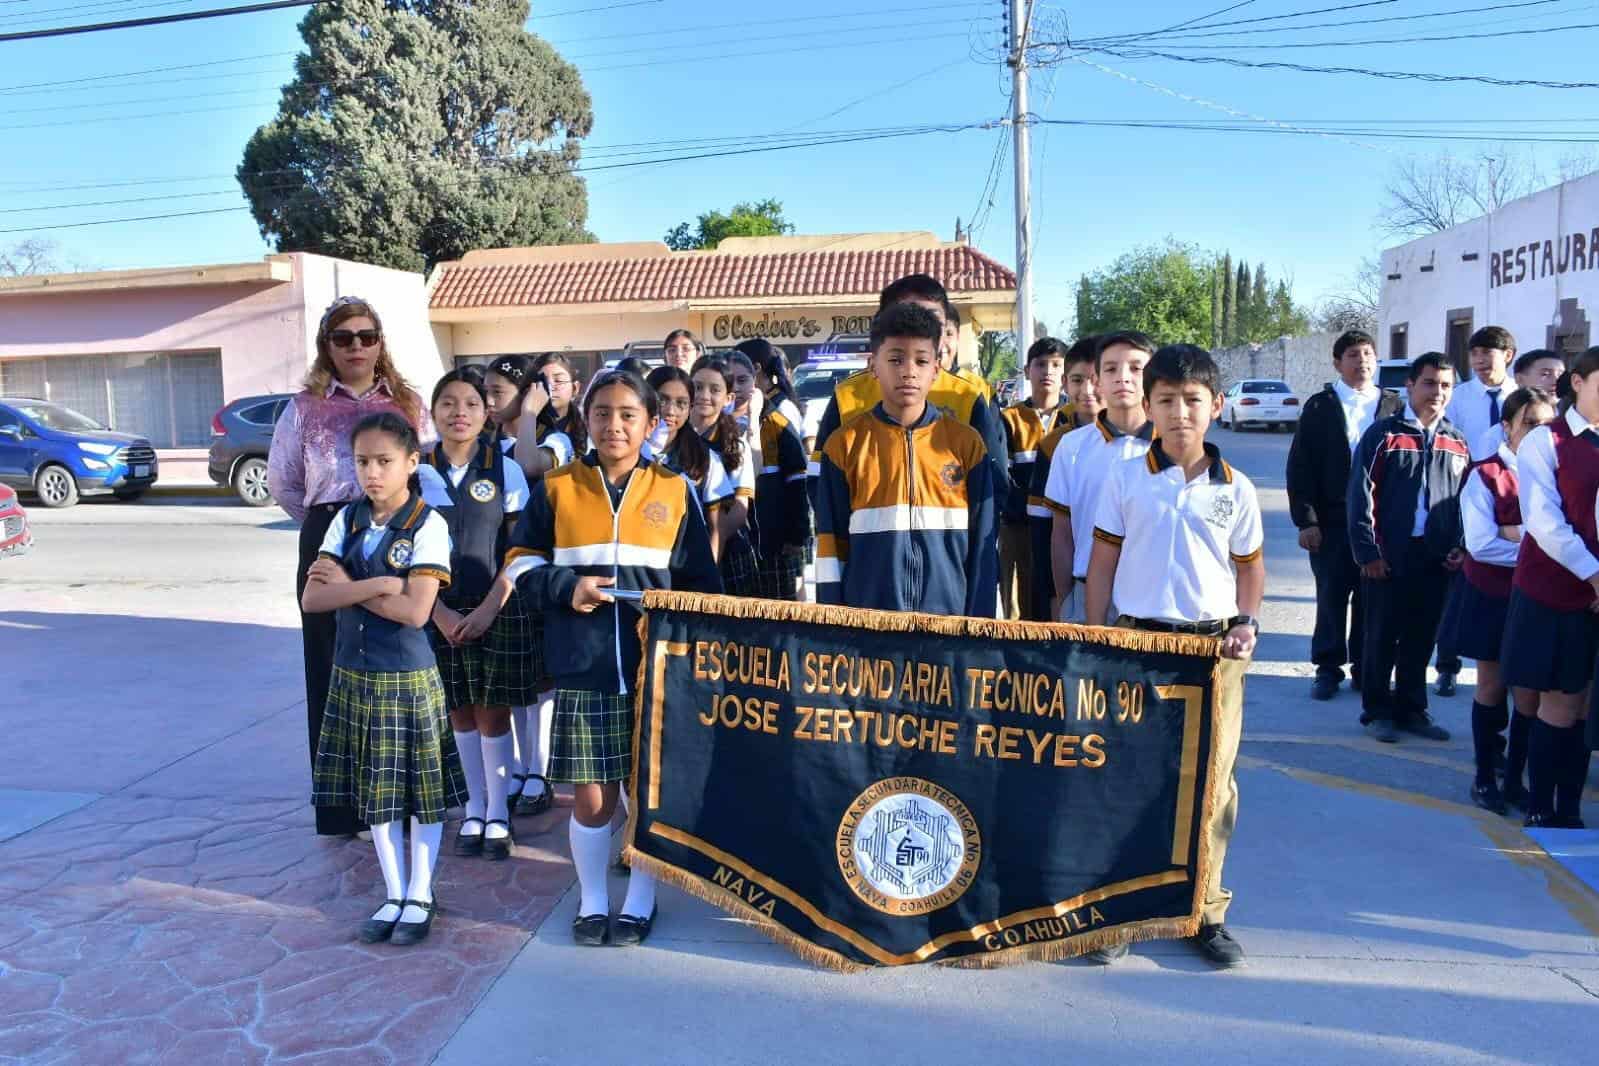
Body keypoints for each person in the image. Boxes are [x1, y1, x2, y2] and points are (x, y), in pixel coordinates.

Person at [504, 369, 722, 946]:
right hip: (585, 665)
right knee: (593, 798)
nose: (614, 425)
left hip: (657, 670)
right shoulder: (556, 487)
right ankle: (593, 899)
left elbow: (703, 582)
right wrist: (564, 587)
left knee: (646, 793)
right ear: (586, 420)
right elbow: (521, 564)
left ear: (652, 423)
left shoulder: (676, 491)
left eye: (629, 414)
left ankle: (641, 900)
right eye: (602, 413)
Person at [1084, 343, 1262, 969]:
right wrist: (1096, 632)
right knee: (1130, 780)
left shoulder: (1236, 488)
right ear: (1148, 405)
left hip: (1212, 651)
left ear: (1215, 406)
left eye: (1192, 400)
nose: (1180, 413)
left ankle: (1204, 913)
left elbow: (1250, 567)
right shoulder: (1126, 476)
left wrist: (1247, 622)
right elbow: (1102, 560)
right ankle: (1120, 915)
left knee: (1213, 786)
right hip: (1138, 644)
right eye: (1166, 400)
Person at [267, 295, 428, 838]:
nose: (356, 347)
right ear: (326, 346)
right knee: (331, 671)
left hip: (393, 534)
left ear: (380, 343)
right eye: (343, 337)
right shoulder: (303, 407)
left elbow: (421, 473)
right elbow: (285, 484)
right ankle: (344, 808)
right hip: (329, 537)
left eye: (366, 336)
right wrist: (331, 527)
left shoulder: (407, 402)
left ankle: (400, 799)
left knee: (393, 667)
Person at [304, 412, 466, 946]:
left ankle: (420, 892)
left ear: (412, 464)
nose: (372, 473)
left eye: (384, 461)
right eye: (362, 462)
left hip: (406, 676)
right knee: (376, 792)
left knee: (421, 794)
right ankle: (393, 892)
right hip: (353, 673)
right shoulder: (346, 520)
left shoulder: (429, 523)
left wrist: (349, 584)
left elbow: (418, 611)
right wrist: (373, 583)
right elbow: (313, 599)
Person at [417, 371, 535, 860]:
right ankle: (473, 807)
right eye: (447, 402)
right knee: (458, 713)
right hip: (435, 608)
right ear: (433, 411)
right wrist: (437, 611)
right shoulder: (415, 469)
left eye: (470, 402)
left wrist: (491, 606)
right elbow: (401, 550)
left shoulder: (503, 468)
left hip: (495, 607)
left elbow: (523, 548)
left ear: (487, 412)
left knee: (492, 712)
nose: (458, 412)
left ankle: (499, 814)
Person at [814, 302, 997, 616]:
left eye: (921, 360)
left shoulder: (966, 444)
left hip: (948, 626)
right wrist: (833, 624)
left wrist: (978, 629)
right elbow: (830, 549)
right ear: (873, 366)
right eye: (895, 359)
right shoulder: (843, 446)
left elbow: (983, 546)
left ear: (936, 369)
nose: (909, 371)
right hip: (869, 626)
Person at [1347, 353, 1470, 744]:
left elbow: (1466, 501)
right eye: (1430, 383)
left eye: (1446, 385)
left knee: (1421, 637)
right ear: (1411, 386)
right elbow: (1359, 495)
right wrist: (1368, 552)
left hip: (1434, 557)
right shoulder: (1383, 434)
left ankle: (1413, 708)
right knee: (1381, 635)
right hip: (1389, 554)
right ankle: (1378, 710)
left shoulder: (1456, 441)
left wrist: (1459, 546)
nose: (1438, 392)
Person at [1503, 346, 1599, 829]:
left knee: (1583, 704)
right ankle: (1542, 805)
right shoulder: (1548, 442)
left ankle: (1569, 805)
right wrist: (1593, 573)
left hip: (1594, 592)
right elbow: (1544, 521)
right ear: (1577, 383)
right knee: (1558, 700)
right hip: (1554, 588)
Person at [810, 274, 1008, 505]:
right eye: (908, 315)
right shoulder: (847, 396)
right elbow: (820, 482)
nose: (919, 325)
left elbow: (992, 488)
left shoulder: (969, 396)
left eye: (933, 320)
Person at [1447, 388, 1555, 814]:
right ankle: (1484, 777)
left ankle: (1514, 780)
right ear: (1506, 427)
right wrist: (1539, 544)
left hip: (1537, 599)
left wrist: (1518, 533)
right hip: (1492, 595)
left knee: (1528, 694)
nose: (1538, 434)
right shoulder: (1485, 474)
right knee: (1492, 685)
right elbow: (1481, 544)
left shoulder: (1559, 475)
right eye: (1529, 424)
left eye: (1547, 426)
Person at [1286, 330, 1403, 701]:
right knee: (1332, 595)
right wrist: (1306, 520)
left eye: (1368, 353)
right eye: (1354, 355)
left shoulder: (1394, 406)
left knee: (1374, 598)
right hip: (1332, 519)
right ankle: (1327, 667)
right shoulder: (1320, 406)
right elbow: (1300, 466)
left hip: (1379, 523)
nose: (1363, 361)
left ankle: (1365, 668)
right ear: (1338, 363)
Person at [510, 354, 586, 818]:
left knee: (549, 671)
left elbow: (528, 464)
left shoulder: (563, 433)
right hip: (530, 551)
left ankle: (542, 769)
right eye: (542, 380)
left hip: (565, 553)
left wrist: (526, 414)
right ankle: (526, 766)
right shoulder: (533, 424)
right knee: (529, 671)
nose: (550, 387)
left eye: (559, 380)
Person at [1043, 331, 1157, 623]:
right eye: (1110, 369)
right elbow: (1062, 533)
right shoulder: (1071, 446)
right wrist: (1064, 599)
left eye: (1136, 368)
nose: (1123, 377)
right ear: (1099, 379)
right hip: (1085, 596)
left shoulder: (1171, 447)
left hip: (1155, 600)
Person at [1436, 327, 1518, 696]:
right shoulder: (1459, 397)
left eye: (1490, 353)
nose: (1482, 361)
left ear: (1509, 355)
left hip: (1509, 495)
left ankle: (1510, 667)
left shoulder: (1522, 398)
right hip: (1460, 495)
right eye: (1475, 354)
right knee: (1456, 590)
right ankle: (1447, 665)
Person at [1028, 335, 1100, 621]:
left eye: (1095, 378)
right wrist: (1055, 596)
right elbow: (1045, 530)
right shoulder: (1056, 445)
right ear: (1066, 383)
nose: (1087, 390)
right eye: (1077, 380)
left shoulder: (1147, 443)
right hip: (1076, 588)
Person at [999, 337, 1070, 620]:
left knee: (1056, 591)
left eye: (1055, 365)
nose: (1048, 372)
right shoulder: (1011, 417)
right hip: (1019, 524)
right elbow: (1003, 473)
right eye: (1041, 365)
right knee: (1017, 594)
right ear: (1028, 371)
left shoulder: (1074, 417)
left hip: (1065, 524)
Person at [691, 357, 758, 594]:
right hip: (680, 553)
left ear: (728, 398)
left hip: (727, 553)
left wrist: (708, 553)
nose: (704, 395)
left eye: (715, 389)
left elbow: (739, 511)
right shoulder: (675, 440)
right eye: (697, 387)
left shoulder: (736, 444)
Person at [1472, 348, 1565, 457]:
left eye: (1560, 375)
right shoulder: (1495, 437)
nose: (1555, 381)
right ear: (1519, 379)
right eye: (1545, 374)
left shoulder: (1569, 429)